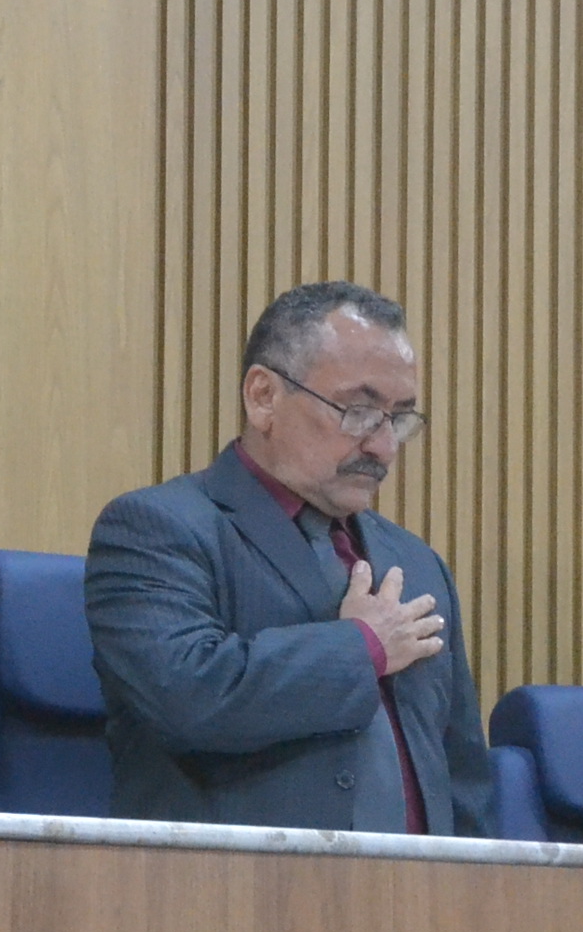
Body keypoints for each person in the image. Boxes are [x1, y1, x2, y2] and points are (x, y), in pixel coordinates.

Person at [86, 281, 493, 835]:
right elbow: (189, 698)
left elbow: (462, 777)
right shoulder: (157, 529)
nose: (383, 447)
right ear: (263, 397)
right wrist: (363, 647)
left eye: (399, 419)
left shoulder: (417, 563)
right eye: (358, 411)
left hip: (420, 887)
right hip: (234, 882)